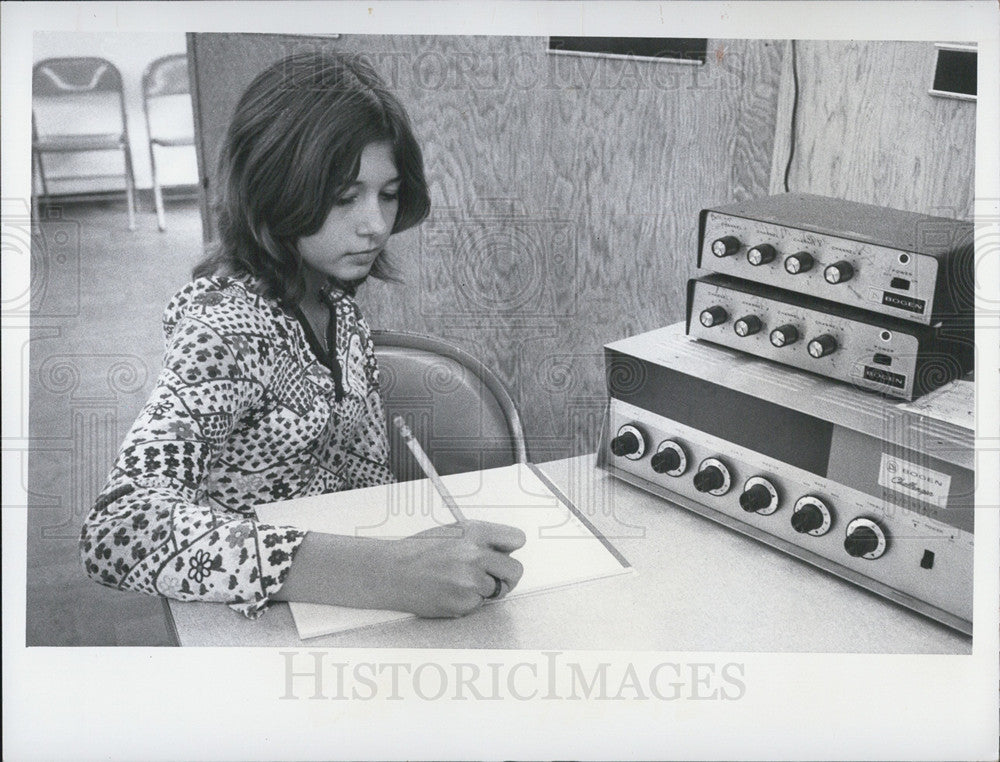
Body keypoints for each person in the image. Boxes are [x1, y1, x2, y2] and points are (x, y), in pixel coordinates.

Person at [80, 51, 524, 620]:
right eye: (345, 197)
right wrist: (388, 573)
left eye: (387, 194)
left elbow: (366, 484)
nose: (375, 224)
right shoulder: (225, 329)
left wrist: (411, 553)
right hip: (251, 626)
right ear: (274, 189)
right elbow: (119, 530)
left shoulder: (343, 318)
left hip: (346, 613)